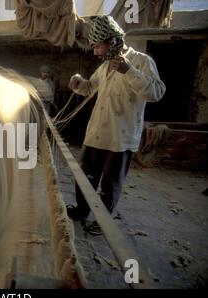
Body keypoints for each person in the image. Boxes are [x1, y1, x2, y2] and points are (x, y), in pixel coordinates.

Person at [66, 15, 166, 235]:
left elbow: (157, 93)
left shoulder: (141, 61)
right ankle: (82, 210)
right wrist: (78, 83)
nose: (95, 52)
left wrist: (129, 70)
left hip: (121, 137)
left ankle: (102, 221)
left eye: (97, 46)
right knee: (85, 177)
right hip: (97, 133)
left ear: (112, 41)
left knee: (110, 185)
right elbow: (89, 87)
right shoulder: (104, 67)